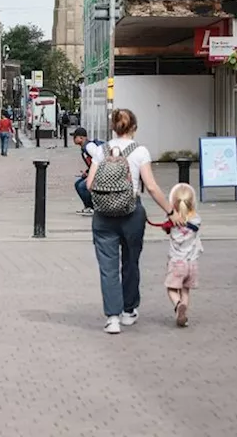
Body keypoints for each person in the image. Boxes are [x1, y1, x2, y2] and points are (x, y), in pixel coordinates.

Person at [86, 109, 178, 335]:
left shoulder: (101, 150)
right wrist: (170, 211)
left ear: (112, 127)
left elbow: (89, 184)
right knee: (131, 262)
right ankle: (129, 310)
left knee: (108, 268)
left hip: (104, 215)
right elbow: (153, 187)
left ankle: (112, 318)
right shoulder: (140, 151)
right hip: (131, 213)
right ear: (134, 127)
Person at [149, 183, 203, 328]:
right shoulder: (196, 220)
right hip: (192, 263)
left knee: (172, 288)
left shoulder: (171, 223)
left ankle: (178, 305)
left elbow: (165, 228)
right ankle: (183, 313)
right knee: (185, 289)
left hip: (177, 263)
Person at [71, 127, 105, 216]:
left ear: (81, 138)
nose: (73, 139)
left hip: (101, 173)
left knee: (83, 186)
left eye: (75, 137)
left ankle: (93, 207)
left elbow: (99, 160)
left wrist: (92, 175)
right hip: (95, 172)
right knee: (78, 184)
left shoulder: (89, 147)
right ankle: (88, 206)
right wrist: (87, 172)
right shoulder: (84, 148)